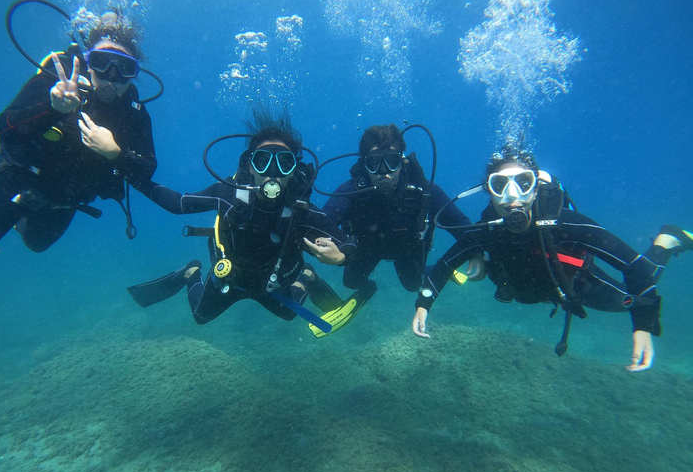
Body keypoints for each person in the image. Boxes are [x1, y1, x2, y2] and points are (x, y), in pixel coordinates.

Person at [0, 12, 156, 280]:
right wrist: (53, 108)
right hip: (14, 184)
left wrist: (114, 153)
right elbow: (6, 127)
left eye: (124, 68)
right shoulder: (59, 79)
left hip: (63, 202)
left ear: (133, 73)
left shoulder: (133, 112)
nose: (111, 76)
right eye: (102, 62)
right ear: (88, 61)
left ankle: (16, 221)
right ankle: (1, 215)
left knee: (37, 245)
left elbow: (147, 168)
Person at [412, 152, 692, 372]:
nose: (512, 196)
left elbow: (633, 266)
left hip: (577, 284)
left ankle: (665, 243)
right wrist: (423, 305)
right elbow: (445, 264)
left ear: (535, 188)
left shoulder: (566, 224)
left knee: (639, 289)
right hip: (533, 290)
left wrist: (642, 325)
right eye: (499, 185)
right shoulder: (487, 229)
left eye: (523, 183)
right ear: (490, 191)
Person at [126, 111, 357, 329]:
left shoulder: (302, 211)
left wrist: (341, 258)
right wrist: (135, 179)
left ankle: (306, 277)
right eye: (263, 160)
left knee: (288, 314)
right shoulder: (227, 194)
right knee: (200, 315)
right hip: (231, 276)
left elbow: (348, 243)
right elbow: (177, 204)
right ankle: (191, 272)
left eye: (284, 163)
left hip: (271, 282)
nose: (272, 172)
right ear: (250, 164)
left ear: (294, 169)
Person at [316, 124, 483, 333]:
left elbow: (458, 222)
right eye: (374, 163)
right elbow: (321, 224)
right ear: (364, 164)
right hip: (366, 248)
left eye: (391, 161)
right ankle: (369, 288)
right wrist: (335, 246)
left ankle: (435, 271)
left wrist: (475, 249)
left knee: (413, 285)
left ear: (402, 160)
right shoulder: (352, 191)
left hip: (407, 248)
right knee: (351, 282)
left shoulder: (423, 190)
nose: (383, 172)